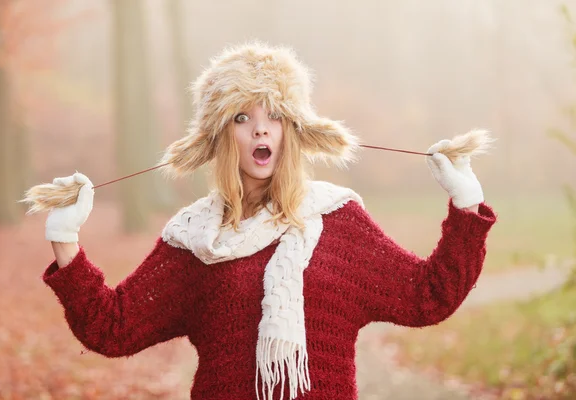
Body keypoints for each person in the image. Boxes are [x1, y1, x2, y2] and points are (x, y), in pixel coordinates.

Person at [42, 43, 497, 400]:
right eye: (243, 117)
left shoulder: (339, 221)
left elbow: (427, 296)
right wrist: (66, 239)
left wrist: (466, 204)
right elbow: (112, 327)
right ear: (223, 137)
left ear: (292, 130)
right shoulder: (194, 238)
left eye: (274, 116)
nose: (260, 129)